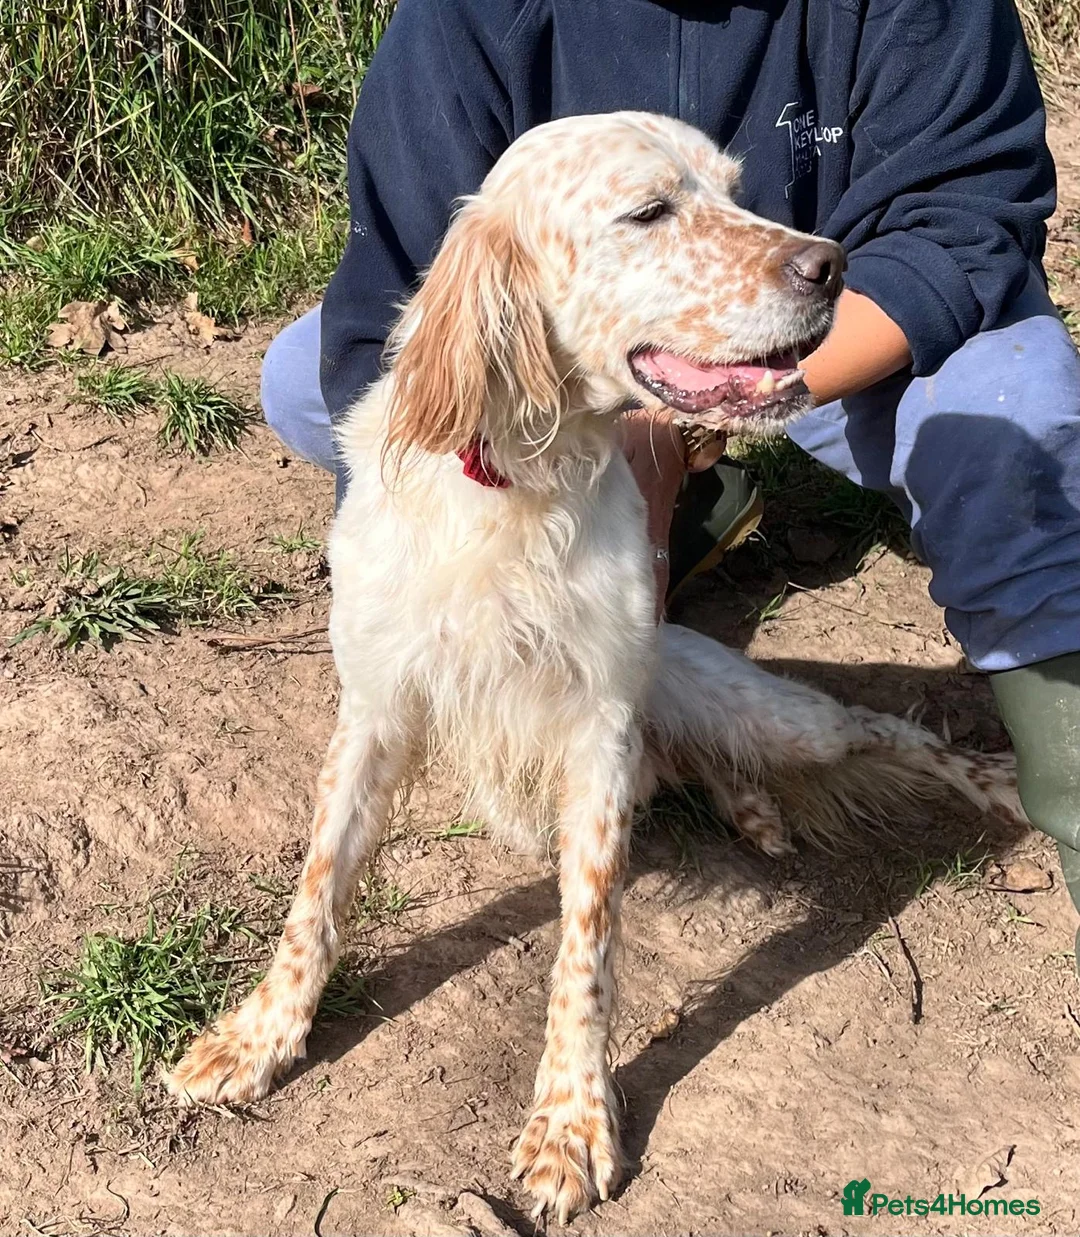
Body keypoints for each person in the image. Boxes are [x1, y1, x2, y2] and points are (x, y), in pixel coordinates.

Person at [259, 0, 1080, 955]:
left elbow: (965, 225)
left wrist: (699, 402)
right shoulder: (469, 17)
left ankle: (1065, 781)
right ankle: (652, 528)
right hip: (578, 386)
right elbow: (393, 293)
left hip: (840, 351)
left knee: (1018, 417)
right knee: (300, 380)